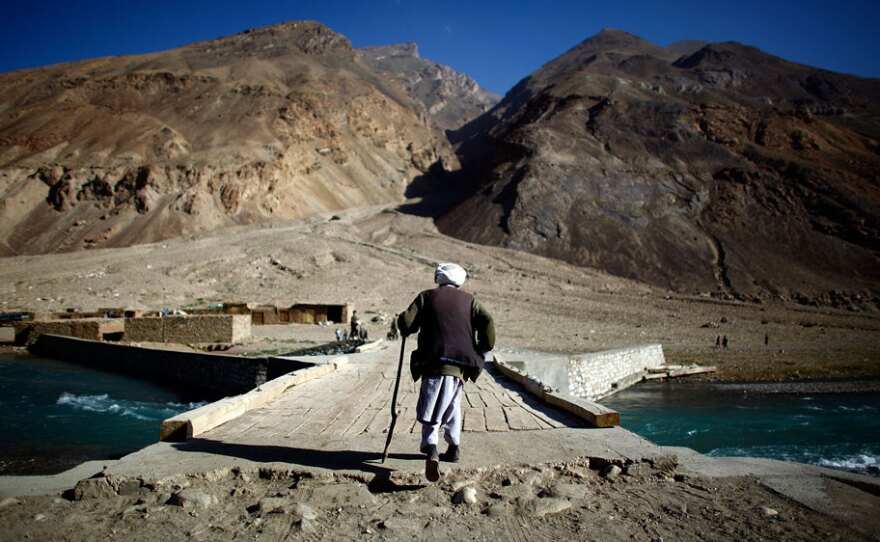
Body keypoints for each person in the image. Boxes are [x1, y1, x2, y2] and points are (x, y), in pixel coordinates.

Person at [397, 262, 495, 482]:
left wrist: (402, 322)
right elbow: (488, 321)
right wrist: (483, 347)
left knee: (430, 402)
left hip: (434, 360)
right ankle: (454, 447)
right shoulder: (470, 301)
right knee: (451, 403)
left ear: (438, 278)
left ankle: (430, 446)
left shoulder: (427, 297)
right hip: (461, 363)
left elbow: (407, 323)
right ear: (458, 281)